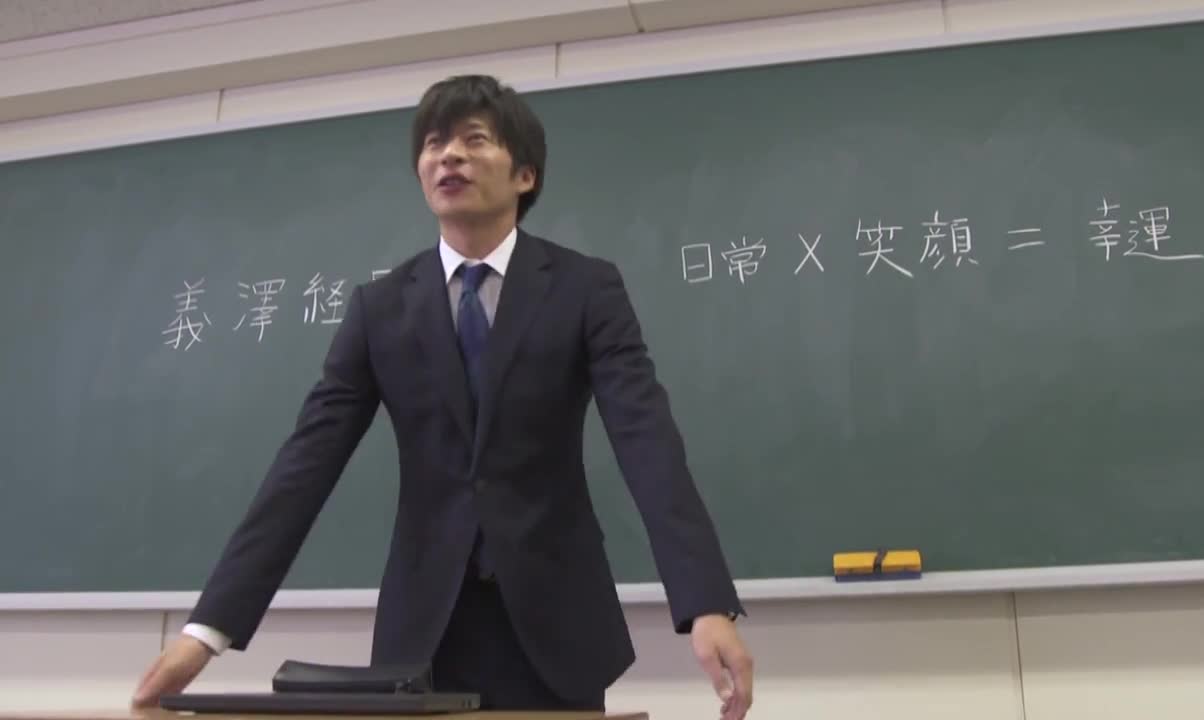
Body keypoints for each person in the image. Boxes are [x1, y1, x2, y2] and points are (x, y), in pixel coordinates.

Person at [131, 74, 753, 717]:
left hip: (557, 627)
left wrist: (705, 602)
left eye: (474, 140)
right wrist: (208, 632)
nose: (448, 155)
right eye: (434, 144)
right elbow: (305, 465)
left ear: (525, 175)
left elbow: (646, 439)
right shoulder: (379, 309)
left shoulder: (584, 289)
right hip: (421, 636)